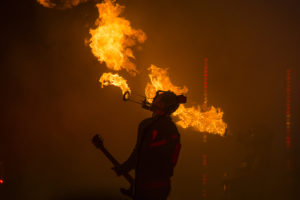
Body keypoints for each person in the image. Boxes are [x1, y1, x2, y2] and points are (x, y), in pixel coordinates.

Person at [114, 91, 186, 200]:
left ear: (162, 105)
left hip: (147, 187)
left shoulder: (148, 125)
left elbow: (139, 153)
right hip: (163, 186)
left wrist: (124, 168)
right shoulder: (172, 129)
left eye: (156, 99)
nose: (152, 101)